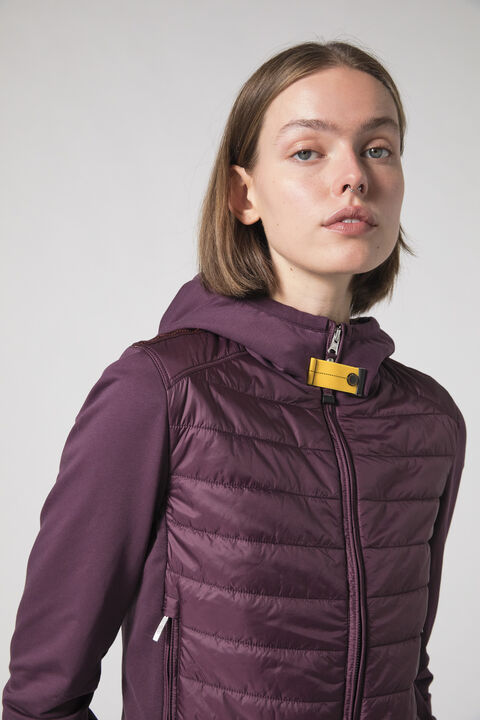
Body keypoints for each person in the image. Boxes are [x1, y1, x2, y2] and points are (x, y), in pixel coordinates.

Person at [2, 40, 467, 720]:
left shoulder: (428, 421)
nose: (354, 177)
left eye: (378, 148)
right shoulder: (161, 392)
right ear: (243, 194)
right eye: (308, 151)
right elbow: (42, 698)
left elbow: (407, 675)